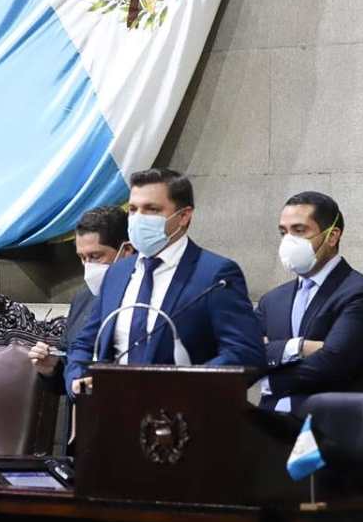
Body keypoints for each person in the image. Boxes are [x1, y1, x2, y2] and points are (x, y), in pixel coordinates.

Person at [64, 168, 264, 397]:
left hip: (184, 410)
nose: (138, 218)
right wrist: (77, 379)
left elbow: (245, 353)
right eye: (133, 209)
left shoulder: (215, 274)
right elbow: (85, 344)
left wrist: (178, 385)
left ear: (183, 216)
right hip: (113, 409)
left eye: (152, 209)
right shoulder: (117, 273)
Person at [256, 192, 363, 415]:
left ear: (332, 236)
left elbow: (333, 364)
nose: (288, 241)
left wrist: (270, 379)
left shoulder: (362, 293)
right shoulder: (272, 300)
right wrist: (298, 347)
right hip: (267, 425)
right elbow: (243, 352)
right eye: (283, 232)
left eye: (299, 230)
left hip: (330, 425)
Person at [28, 206, 133, 394]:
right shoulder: (83, 298)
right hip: (82, 407)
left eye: (95, 256)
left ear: (126, 251)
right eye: (82, 258)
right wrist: (52, 368)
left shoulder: (142, 296)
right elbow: (68, 369)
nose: (88, 266)